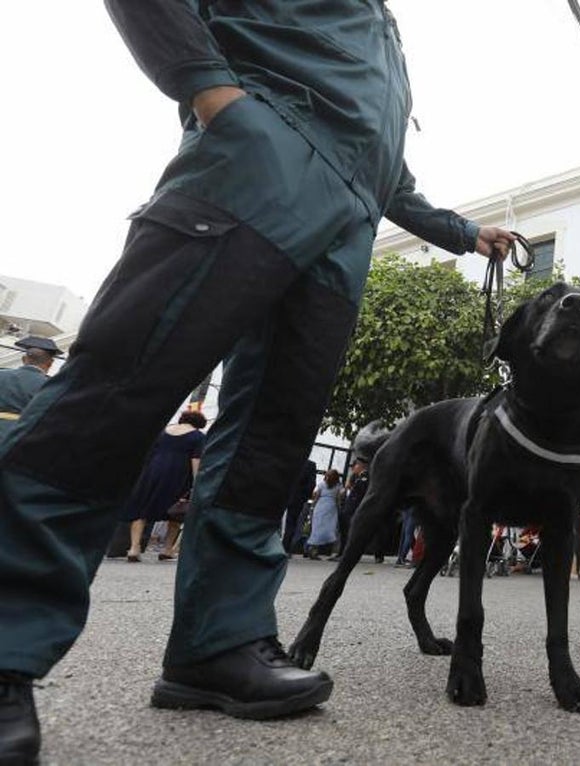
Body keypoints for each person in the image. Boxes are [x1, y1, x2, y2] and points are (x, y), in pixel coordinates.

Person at [0, 4, 516, 760]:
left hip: (346, 226)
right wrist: (214, 96)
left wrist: (466, 233)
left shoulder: (383, 32)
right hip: (256, 162)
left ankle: (218, 643)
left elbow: (388, 171)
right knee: (124, 386)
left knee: (271, 439)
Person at [120, 410, 208, 562]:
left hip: (153, 472)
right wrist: (196, 483)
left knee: (142, 510)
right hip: (178, 475)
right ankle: (167, 549)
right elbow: (196, 460)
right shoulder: (198, 437)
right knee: (175, 512)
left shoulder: (163, 432)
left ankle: (134, 548)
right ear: (199, 424)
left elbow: (149, 453)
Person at [0, 337, 61, 438]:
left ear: (24, 359)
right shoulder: (51, 385)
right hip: (22, 436)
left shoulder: (1, 375)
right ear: (50, 363)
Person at [333, 458, 369, 561]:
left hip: (353, 509)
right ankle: (341, 553)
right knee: (344, 533)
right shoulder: (357, 477)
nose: (353, 468)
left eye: (354, 466)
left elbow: (361, 492)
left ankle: (345, 554)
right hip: (348, 508)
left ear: (360, 465)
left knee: (348, 533)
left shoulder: (365, 477)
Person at [282, 460, 318, 556]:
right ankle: (286, 548)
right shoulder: (310, 465)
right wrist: (303, 496)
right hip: (297, 499)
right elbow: (311, 484)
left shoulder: (292, 460)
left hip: (284, 495)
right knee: (292, 524)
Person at [306, 470, 342, 560]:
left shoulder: (322, 484)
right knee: (331, 528)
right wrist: (339, 509)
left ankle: (313, 549)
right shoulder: (338, 486)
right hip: (331, 507)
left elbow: (316, 496)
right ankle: (332, 551)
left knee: (317, 528)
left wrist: (312, 507)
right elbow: (338, 499)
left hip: (320, 506)